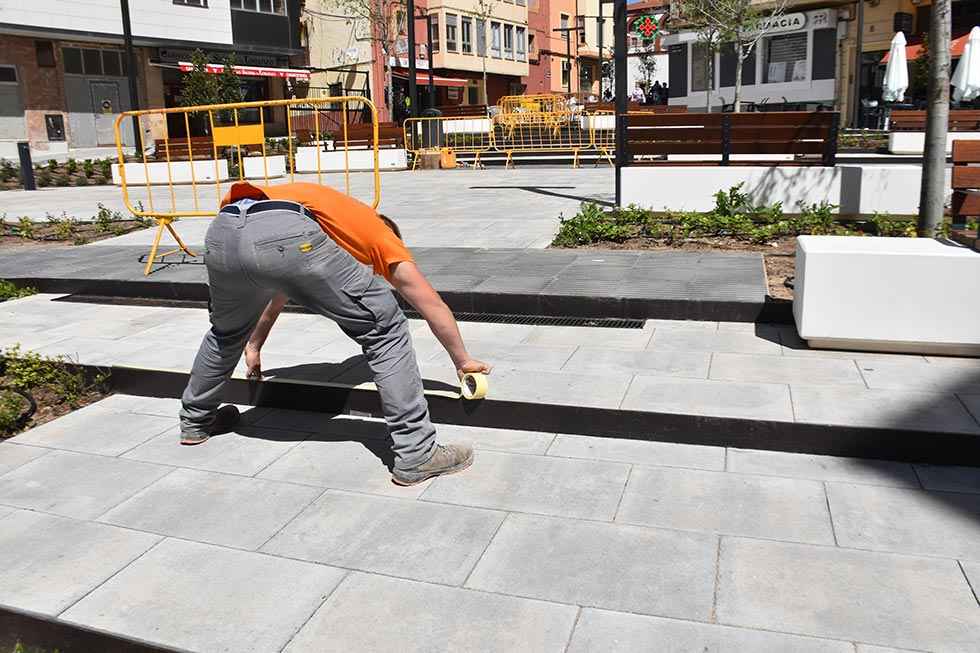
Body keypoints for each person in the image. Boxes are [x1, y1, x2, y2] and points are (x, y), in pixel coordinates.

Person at [178, 181, 491, 486]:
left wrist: (254, 345)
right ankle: (417, 453)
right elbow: (430, 303)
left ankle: (195, 421)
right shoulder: (380, 234)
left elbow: (277, 287)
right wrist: (462, 360)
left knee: (225, 331)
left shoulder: (327, 216)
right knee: (386, 327)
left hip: (225, 227)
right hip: (282, 230)